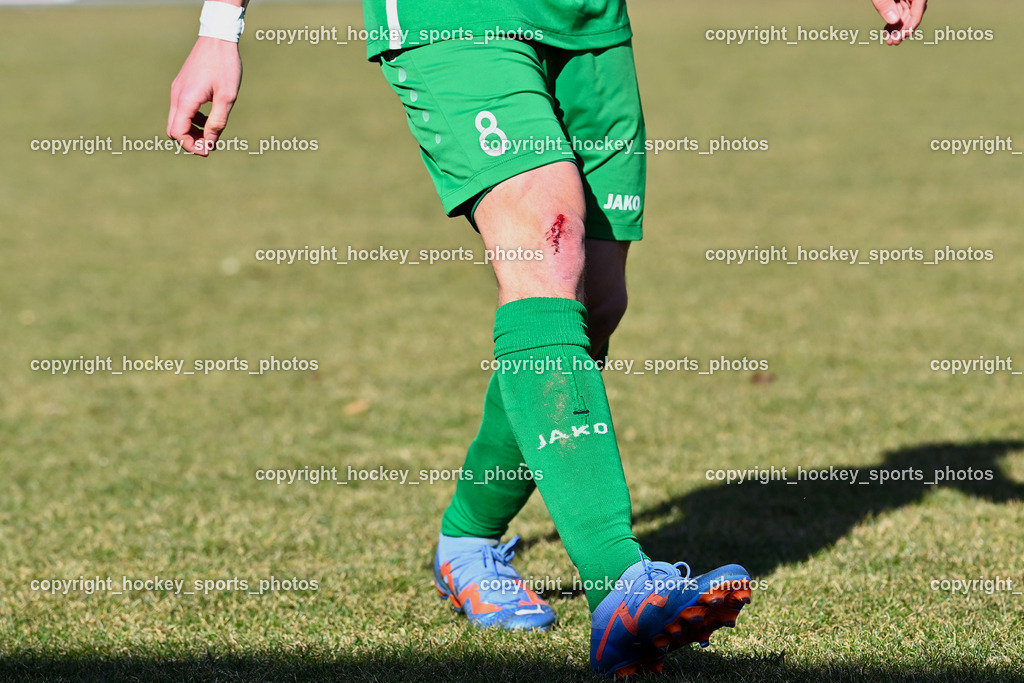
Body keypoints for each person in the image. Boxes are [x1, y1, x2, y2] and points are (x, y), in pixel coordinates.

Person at [167, 0, 927, 675]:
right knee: (546, 239)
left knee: (594, 306)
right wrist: (219, 26)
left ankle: (469, 538)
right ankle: (622, 583)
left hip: (588, 21)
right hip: (455, 18)